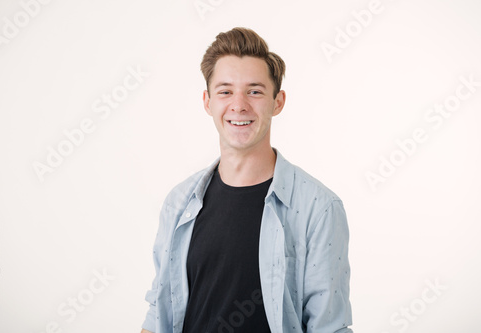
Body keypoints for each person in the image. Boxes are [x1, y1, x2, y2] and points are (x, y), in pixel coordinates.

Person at [141, 27, 353, 333]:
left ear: (277, 102)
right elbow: (159, 313)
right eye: (225, 91)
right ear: (207, 101)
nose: (239, 105)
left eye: (254, 91)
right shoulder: (179, 201)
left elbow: (329, 327)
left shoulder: (318, 208)